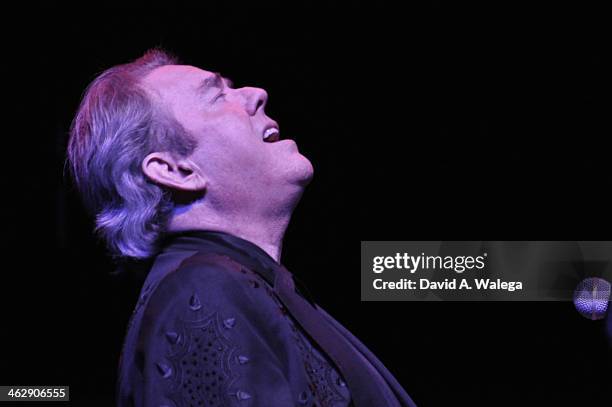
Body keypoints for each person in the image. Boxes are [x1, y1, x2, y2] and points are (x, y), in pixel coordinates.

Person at [67, 49, 417, 407]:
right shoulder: (199, 292)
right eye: (217, 95)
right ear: (177, 170)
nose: (256, 93)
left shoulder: (241, 285)